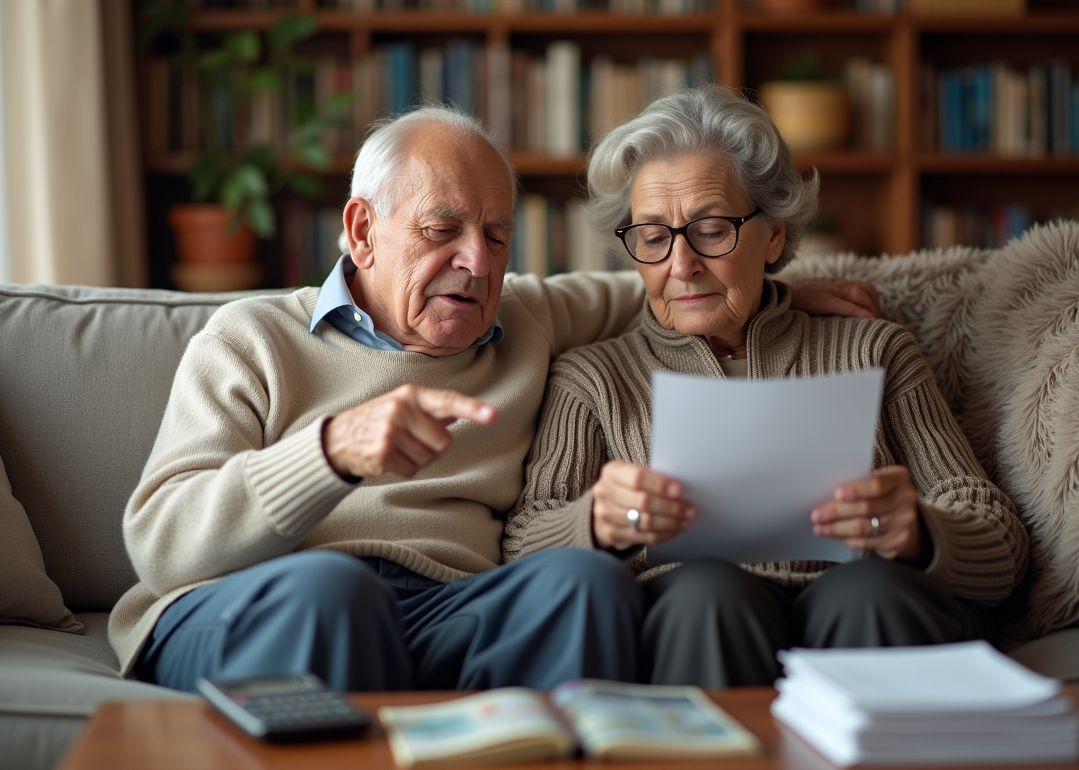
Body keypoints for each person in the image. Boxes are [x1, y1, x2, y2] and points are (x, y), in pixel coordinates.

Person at [109, 103, 880, 694]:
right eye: (443, 230)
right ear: (361, 229)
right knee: (333, 593)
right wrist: (329, 453)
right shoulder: (251, 339)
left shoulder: (524, 318)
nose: (477, 265)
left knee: (587, 581)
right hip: (263, 604)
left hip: (452, 606)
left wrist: (772, 287)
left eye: (498, 236)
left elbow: (663, 277)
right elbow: (161, 544)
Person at [503, 86, 1030, 688]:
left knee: (867, 591)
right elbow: (524, 546)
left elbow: (1001, 543)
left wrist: (921, 531)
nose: (681, 265)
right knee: (708, 590)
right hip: (693, 614)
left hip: (864, 599)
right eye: (652, 237)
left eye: (711, 229)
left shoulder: (874, 350)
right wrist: (598, 520)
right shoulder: (593, 378)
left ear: (774, 236)